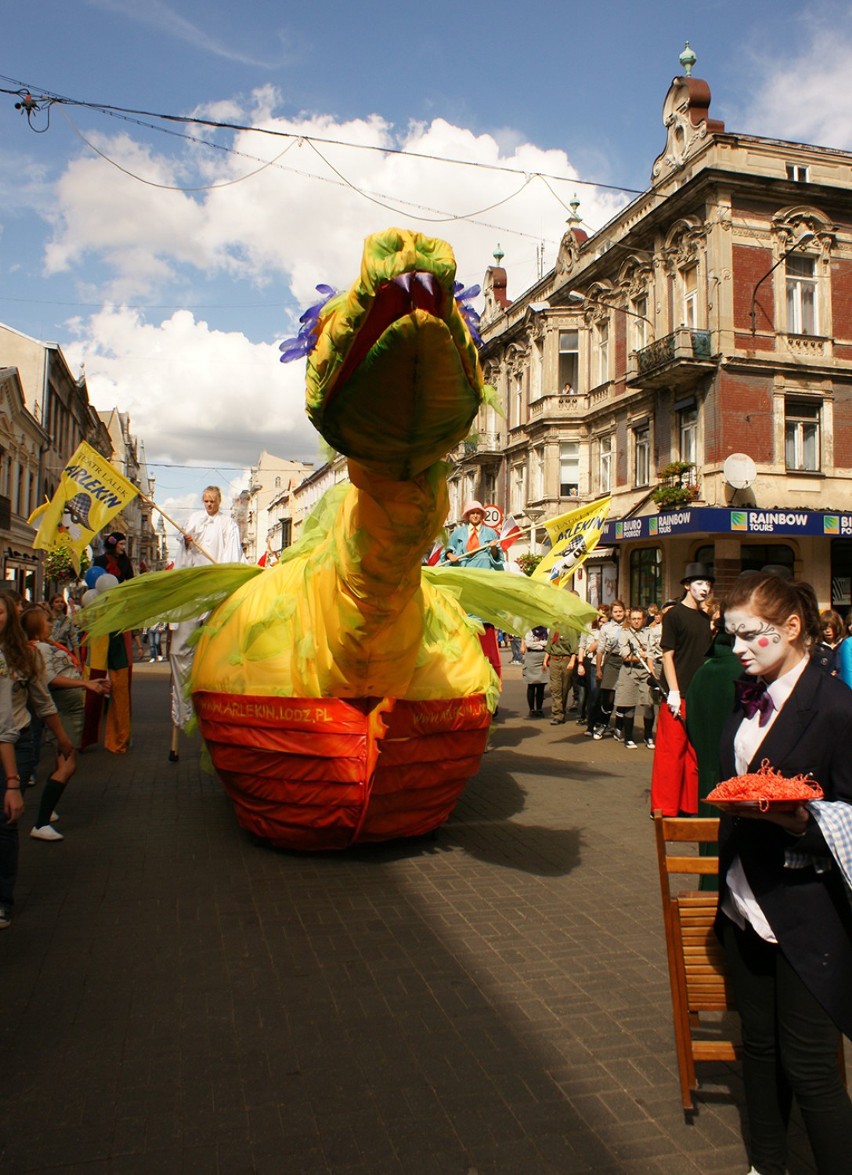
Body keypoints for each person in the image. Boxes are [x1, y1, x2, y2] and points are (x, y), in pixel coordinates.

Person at [715, 572, 852, 1175]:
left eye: (750, 635)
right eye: (731, 635)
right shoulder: (745, 692)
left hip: (808, 912)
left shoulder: (837, 707)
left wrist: (802, 823)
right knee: (761, 1051)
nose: (738, 648)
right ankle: (766, 1166)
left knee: (813, 1068)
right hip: (744, 903)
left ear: (793, 628)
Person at [169, 486, 245, 760]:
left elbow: (231, 555)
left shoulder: (228, 524)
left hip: (214, 588)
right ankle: (181, 712)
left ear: (219, 501)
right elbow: (184, 555)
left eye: (212, 501)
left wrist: (222, 579)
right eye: (205, 501)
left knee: (219, 645)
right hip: (194, 589)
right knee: (180, 649)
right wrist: (187, 543)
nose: (209, 504)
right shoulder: (193, 521)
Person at [0, 591, 75, 859]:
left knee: (6, 820)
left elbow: (43, 701)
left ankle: (4, 896)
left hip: (17, 738)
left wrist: (61, 737)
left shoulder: (26, 654)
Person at [649, 563, 713, 815]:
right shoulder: (674, 615)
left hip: (698, 694)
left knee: (694, 752)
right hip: (677, 695)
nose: (704, 588)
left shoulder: (705, 618)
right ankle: (664, 807)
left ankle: (689, 805)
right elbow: (667, 655)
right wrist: (673, 692)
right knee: (670, 752)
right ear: (687, 585)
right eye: (699, 583)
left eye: (707, 584)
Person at [21, 608, 110, 751]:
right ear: (36, 624)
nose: (51, 624)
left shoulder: (47, 644)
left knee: (67, 753)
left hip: (68, 704)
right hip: (65, 705)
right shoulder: (41, 647)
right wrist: (84, 683)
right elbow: (49, 677)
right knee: (67, 756)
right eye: (47, 621)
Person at [614, 607, 656, 749]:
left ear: (644, 619)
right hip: (629, 672)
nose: (636, 621)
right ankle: (629, 737)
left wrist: (644, 655)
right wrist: (643, 655)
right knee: (628, 705)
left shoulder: (649, 633)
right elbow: (626, 656)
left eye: (639, 619)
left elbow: (653, 651)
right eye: (634, 619)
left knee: (649, 705)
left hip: (646, 672)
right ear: (629, 619)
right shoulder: (624, 634)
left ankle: (648, 736)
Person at [591, 600, 626, 739]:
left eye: (620, 611)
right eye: (616, 612)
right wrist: (599, 669)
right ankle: (603, 724)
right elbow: (600, 650)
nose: (618, 614)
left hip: (625, 661)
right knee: (608, 697)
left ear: (624, 611)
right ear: (611, 613)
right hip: (611, 661)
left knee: (623, 696)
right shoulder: (606, 627)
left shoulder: (629, 626)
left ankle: (619, 727)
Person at [544, 625, 577, 724]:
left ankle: (562, 710)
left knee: (565, 687)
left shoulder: (571, 629)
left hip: (566, 660)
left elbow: (574, 648)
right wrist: (545, 661)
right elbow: (549, 647)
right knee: (555, 687)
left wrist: (572, 661)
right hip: (554, 660)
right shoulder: (553, 628)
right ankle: (557, 714)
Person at [521, 627, 548, 717]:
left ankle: (539, 708)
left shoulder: (547, 630)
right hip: (531, 657)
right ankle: (532, 709)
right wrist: (541, 644)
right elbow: (528, 644)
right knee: (531, 685)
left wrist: (537, 643)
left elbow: (548, 643)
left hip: (543, 658)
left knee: (541, 685)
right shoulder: (528, 630)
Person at [812, 609, 844, 676]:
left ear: (837, 627)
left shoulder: (845, 645)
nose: (827, 630)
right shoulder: (816, 648)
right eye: (824, 627)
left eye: (830, 627)